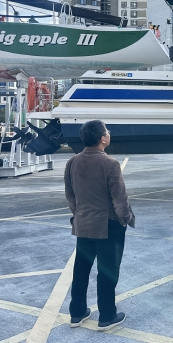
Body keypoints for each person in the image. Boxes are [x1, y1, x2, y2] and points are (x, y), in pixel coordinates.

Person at [65, 120, 135, 331]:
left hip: (83, 223)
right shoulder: (110, 163)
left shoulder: (72, 162)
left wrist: (78, 215)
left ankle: (77, 313)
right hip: (107, 225)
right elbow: (119, 198)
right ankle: (107, 315)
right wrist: (125, 219)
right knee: (107, 271)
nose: (109, 134)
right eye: (107, 131)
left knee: (81, 270)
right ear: (102, 138)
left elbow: (70, 195)